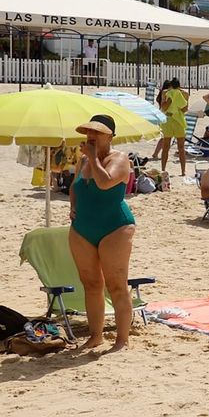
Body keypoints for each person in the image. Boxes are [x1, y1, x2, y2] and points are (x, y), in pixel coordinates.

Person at [69, 115, 138, 351]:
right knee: (90, 283)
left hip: (114, 227)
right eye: (89, 131)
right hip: (82, 228)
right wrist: (73, 207)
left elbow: (105, 182)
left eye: (97, 132)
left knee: (117, 284)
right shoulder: (84, 160)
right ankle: (95, 335)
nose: (91, 136)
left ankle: (121, 339)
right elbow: (74, 186)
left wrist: (92, 158)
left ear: (110, 136)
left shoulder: (120, 158)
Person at [152, 78, 190, 177]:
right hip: (179, 121)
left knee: (166, 147)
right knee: (181, 147)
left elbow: (163, 107)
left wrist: (171, 99)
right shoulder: (185, 94)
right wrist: (177, 101)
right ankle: (183, 171)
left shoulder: (165, 92)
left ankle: (163, 169)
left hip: (168, 120)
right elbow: (185, 109)